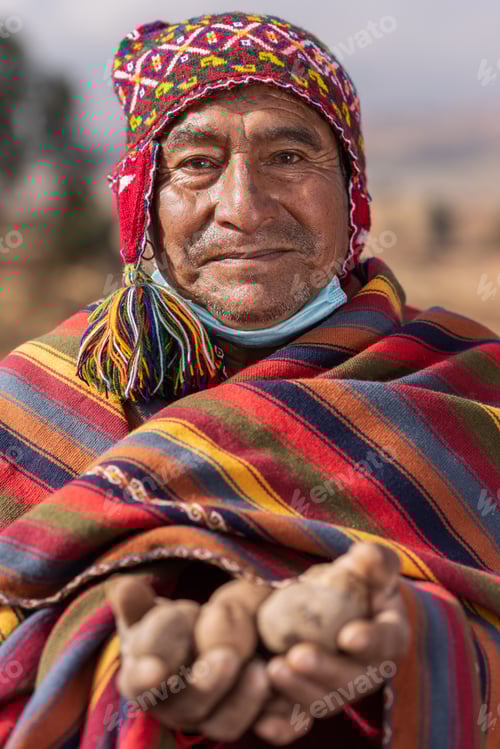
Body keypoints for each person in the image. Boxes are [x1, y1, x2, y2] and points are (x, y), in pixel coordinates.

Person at [0, 11, 498, 749]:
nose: (243, 207)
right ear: (143, 202)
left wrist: (419, 642)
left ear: (353, 192)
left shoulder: (468, 387)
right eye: (197, 163)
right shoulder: (29, 408)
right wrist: (107, 643)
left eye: (290, 157)